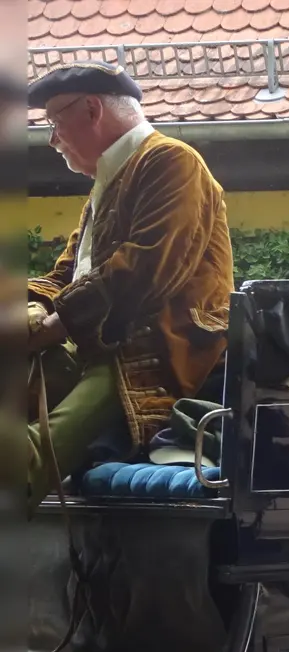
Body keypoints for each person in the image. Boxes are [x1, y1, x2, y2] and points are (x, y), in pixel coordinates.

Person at [25, 63, 232, 513]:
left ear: (92, 110)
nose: (52, 140)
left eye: (55, 122)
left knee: (30, 460)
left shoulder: (172, 160)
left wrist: (57, 323)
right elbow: (65, 276)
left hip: (146, 355)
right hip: (97, 347)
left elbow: (145, 269)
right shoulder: (110, 184)